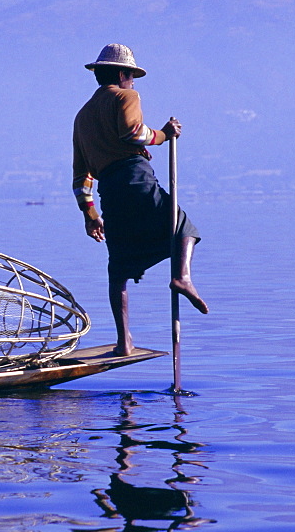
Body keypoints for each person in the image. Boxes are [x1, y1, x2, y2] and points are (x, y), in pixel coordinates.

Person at [72, 44, 208, 356]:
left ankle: (124, 342)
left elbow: (81, 177)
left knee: (117, 268)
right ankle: (182, 277)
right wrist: (164, 134)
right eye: (131, 76)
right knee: (184, 227)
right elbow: (134, 133)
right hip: (134, 178)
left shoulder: (82, 117)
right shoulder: (125, 97)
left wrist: (90, 214)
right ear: (121, 74)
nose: (133, 82)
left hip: (111, 193)